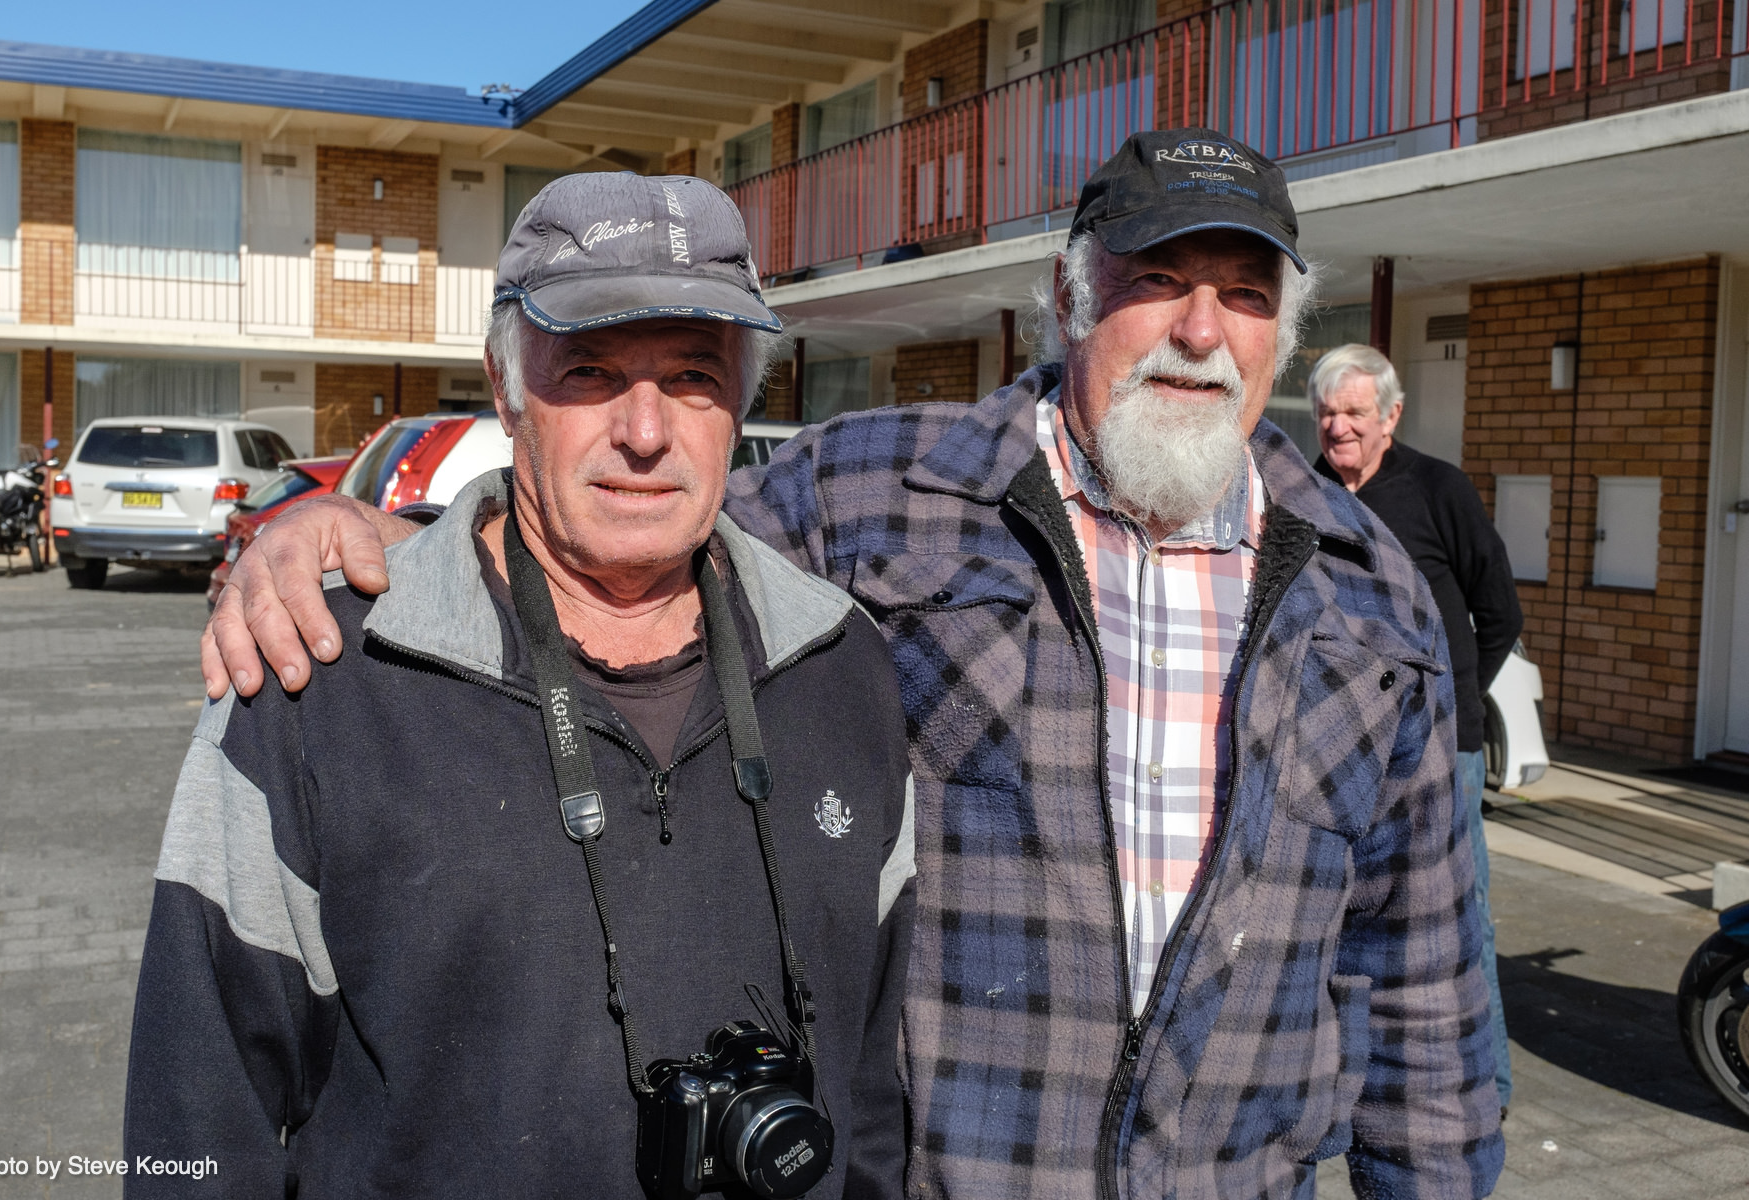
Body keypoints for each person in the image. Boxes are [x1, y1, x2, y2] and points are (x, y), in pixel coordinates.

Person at [203, 130, 1504, 1198]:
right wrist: (400, 545)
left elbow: (1422, 992)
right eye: (1156, 278)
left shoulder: (1369, 597)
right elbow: (622, 546)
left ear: (1284, 332)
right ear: (1070, 298)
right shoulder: (879, 493)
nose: (1201, 329)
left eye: (1246, 294)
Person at [123, 173, 917, 1198]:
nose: (645, 431)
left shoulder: (842, 667)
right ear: (503, 391)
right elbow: (196, 1113)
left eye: (692, 375)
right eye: (589, 371)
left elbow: (872, 1091)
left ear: (738, 403)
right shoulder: (318, 677)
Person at [1311, 342, 1524, 1115]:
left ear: (1391, 415)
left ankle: (1485, 1085)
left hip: (1440, 746)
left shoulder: (1439, 489)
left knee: (1458, 915)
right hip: (1336, 746)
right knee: (1339, 915)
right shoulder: (1302, 494)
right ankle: (1350, 1081)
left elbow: (1499, 613)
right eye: (1327, 412)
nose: (1338, 426)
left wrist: (1450, 699)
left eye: (1355, 412)